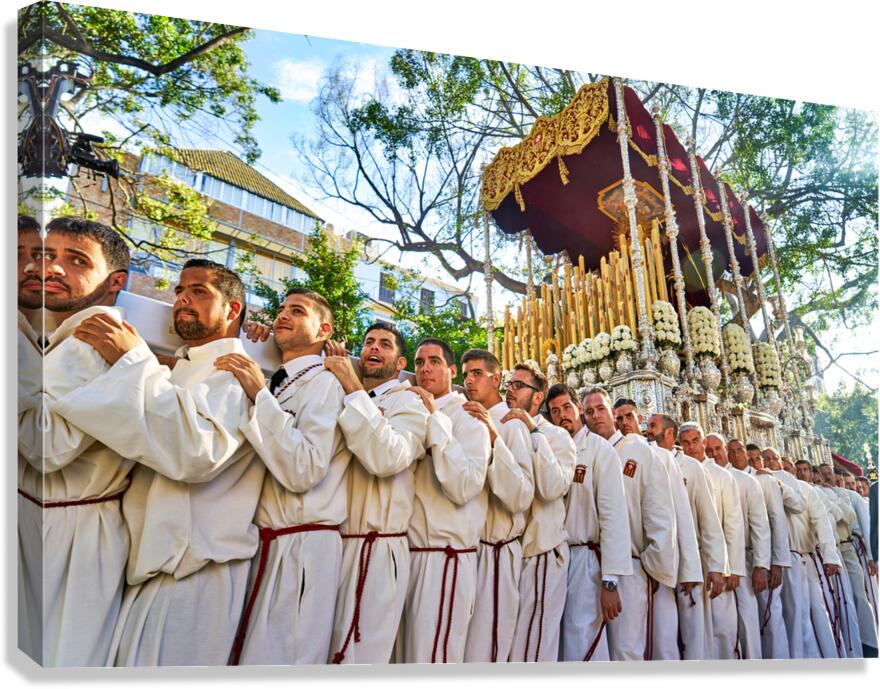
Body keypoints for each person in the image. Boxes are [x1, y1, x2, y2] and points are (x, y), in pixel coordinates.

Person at [51, 258, 266, 666]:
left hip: (196, 571)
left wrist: (134, 361)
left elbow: (196, 452)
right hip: (151, 565)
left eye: (199, 291)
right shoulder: (187, 366)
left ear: (233, 310)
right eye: (180, 291)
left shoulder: (234, 372)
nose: (182, 299)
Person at [209, 288, 351, 665]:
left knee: (283, 657)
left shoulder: (324, 383)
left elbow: (304, 468)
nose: (283, 315)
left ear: (323, 329)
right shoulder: (278, 377)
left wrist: (259, 394)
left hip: (301, 548)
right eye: (282, 309)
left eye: (297, 311)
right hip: (264, 542)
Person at [17, 217, 134, 666]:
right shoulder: (49, 336)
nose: (50, 269)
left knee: (65, 659)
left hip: (79, 533)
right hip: (36, 517)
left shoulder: (95, 340)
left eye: (76, 260)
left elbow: (49, 447)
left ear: (115, 282)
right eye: (44, 256)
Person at [325, 322, 428, 664]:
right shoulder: (342, 390)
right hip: (331, 545)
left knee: (360, 657)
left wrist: (352, 386)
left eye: (385, 344)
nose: (373, 348)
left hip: (377, 548)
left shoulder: (409, 404)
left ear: (401, 364)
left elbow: (387, 459)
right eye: (368, 342)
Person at [398, 338, 490, 663]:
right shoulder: (411, 403)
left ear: (453, 371)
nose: (425, 369)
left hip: (444, 558)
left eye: (434, 361)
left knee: (432, 660)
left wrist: (435, 418)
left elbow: (465, 485)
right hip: (405, 553)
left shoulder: (469, 418)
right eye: (419, 362)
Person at [582, 389, 677, 660]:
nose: (596, 416)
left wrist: (652, 566)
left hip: (630, 568)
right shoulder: (584, 451)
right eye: (589, 412)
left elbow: (658, 513)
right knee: (592, 650)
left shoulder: (639, 451)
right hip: (590, 566)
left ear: (613, 413)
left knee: (626, 650)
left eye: (601, 409)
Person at [459, 349, 535, 663]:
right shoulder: (462, 417)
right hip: (465, 549)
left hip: (496, 551)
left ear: (496, 378)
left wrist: (494, 439)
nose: (468, 381)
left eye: (477, 373)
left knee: (485, 650)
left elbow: (521, 496)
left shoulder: (511, 424)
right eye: (465, 374)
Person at [549, 385, 631, 662]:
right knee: (557, 641)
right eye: (555, 411)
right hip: (556, 559)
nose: (562, 416)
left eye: (567, 408)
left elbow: (614, 516)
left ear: (579, 412)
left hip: (586, 562)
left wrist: (610, 581)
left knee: (583, 641)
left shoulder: (598, 450)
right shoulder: (550, 449)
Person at [504, 362, 575, 662]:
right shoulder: (503, 424)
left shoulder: (558, 437)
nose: (510, 389)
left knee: (533, 648)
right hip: (510, 556)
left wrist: (533, 431)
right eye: (509, 383)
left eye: (518, 385)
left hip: (542, 552)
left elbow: (552, 487)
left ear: (537, 397)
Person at [622, 408, 701, 661]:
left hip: (660, 566)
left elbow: (681, 516)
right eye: (619, 418)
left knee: (664, 641)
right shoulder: (614, 454)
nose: (624, 423)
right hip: (631, 566)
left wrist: (687, 569)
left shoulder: (662, 458)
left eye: (629, 417)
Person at [647, 414, 726, 660]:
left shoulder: (692, 468)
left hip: (689, 560)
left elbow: (709, 519)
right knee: (663, 633)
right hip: (658, 560)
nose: (647, 431)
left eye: (653, 427)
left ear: (669, 434)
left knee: (693, 633)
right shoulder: (647, 460)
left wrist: (716, 565)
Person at [679, 424, 745, 660]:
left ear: (703, 442)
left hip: (718, 562)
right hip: (691, 560)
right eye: (685, 443)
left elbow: (733, 524)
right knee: (694, 629)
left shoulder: (722, 476)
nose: (691, 447)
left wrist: (732, 567)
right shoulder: (679, 470)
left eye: (695, 441)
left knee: (723, 627)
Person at [749, 446, 803, 659]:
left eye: (772, 458)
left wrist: (777, 561)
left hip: (785, 554)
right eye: (763, 459)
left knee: (789, 612)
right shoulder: (745, 478)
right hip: (756, 556)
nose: (765, 463)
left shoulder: (778, 479)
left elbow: (783, 515)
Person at [723, 439, 772, 659]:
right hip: (715, 561)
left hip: (744, 557)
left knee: (748, 617)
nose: (732, 455)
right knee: (723, 623)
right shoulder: (707, 475)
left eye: (737, 451)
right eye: (711, 450)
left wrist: (762, 565)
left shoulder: (748, 481)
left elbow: (761, 526)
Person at [790, 460, 844, 658]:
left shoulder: (811, 491)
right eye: (798, 470)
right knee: (796, 616)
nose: (800, 473)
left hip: (810, 557)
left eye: (805, 469)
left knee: (819, 611)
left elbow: (826, 520)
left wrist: (830, 555)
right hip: (786, 562)